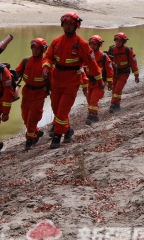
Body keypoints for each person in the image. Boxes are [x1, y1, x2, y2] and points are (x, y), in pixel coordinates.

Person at [42, 13, 102, 149]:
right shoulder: (56, 41)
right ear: (62, 25)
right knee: (56, 110)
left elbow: (92, 63)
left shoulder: (81, 44)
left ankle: (57, 137)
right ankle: (68, 130)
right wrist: (46, 67)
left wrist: (99, 79)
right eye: (66, 24)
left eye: (71, 25)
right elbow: (48, 57)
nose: (68, 27)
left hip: (71, 81)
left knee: (62, 111)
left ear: (76, 26)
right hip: (56, 80)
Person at [15, 38, 50, 151]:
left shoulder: (46, 63)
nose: (35, 50)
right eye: (33, 48)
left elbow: (53, 79)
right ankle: (36, 131)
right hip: (27, 93)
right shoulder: (26, 61)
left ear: (43, 50)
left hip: (39, 94)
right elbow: (16, 74)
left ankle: (29, 141)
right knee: (25, 117)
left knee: (32, 119)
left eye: (38, 49)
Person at [84, 35, 114, 124]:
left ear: (99, 45)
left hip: (99, 83)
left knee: (93, 99)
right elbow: (81, 68)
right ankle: (94, 115)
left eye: (95, 44)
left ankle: (92, 115)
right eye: (91, 44)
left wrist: (110, 83)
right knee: (89, 99)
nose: (92, 46)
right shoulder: (86, 56)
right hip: (89, 82)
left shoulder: (104, 57)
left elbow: (109, 70)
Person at [108, 32, 140, 112]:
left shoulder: (128, 51)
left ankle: (115, 104)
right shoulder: (112, 49)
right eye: (116, 41)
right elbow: (107, 63)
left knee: (118, 89)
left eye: (119, 41)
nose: (118, 42)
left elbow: (133, 63)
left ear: (123, 42)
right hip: (114, 73)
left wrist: (136, 75)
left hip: (124, 73)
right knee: (114, 89)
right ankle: (115, 104)